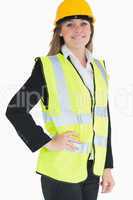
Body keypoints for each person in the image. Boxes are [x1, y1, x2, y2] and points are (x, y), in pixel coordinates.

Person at [5, 0, 115, 199]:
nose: (78, 29)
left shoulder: (99, 68)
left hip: (92, 170)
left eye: (83, 23)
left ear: (91, 29)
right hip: (60, 171)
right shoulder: (47, 67)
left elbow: (103, 121)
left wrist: (107, 166)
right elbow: (15, 110)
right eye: (70, 24)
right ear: (60, 31)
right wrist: (46, 142)